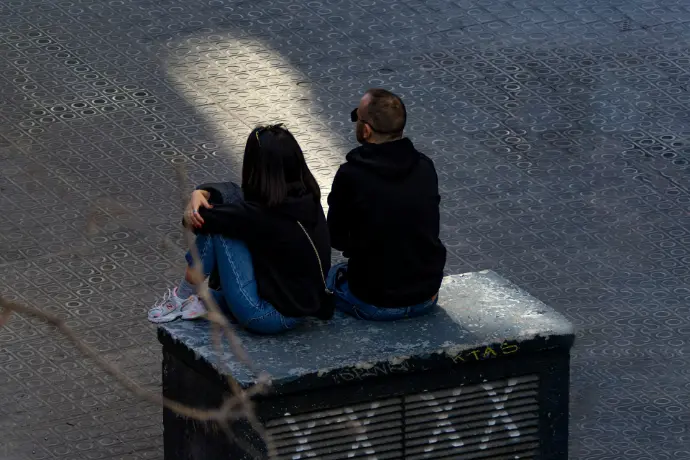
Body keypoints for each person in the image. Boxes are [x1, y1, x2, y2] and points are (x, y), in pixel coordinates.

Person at [148, 124, 334, 334]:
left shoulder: (262, 214)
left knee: (219, 229)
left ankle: (181, 297)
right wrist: (204, 192)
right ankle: (201, 300)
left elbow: (199, 220)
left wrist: (195, 199)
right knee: (226, 219)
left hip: (265, 316)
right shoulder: (305, 195)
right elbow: (235, 196)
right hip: (299, 306)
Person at [326, 88, 446, 321]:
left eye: (356, 117)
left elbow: (336, 237)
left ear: (366, 130)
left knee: (333, 275)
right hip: (426, 294)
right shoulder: (425, 166)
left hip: (375, 299)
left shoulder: (351, 175)